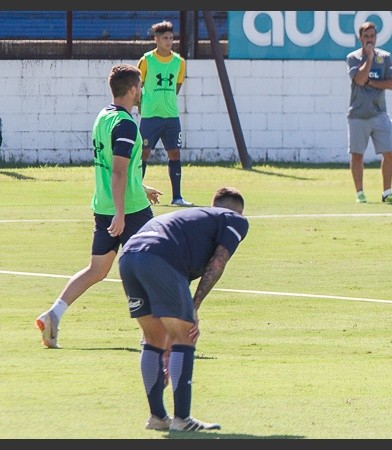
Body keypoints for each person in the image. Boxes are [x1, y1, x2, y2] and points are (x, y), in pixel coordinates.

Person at [36, 64, 163, 349]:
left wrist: (142, 186)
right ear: (132, 90)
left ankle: (53, 314)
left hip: (105, 204)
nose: (141, 91)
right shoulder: (126, 124)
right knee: (152, 265)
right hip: (129, 210)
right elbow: (118, 172)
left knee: (96, 270)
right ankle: (151, 333)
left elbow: (114, 169)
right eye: (140, 87)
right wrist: (121, 212)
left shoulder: (103, 117)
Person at [119, 186, 249, 432]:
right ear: (238, 211)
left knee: (153, 338)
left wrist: (169, 349)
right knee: (185, 336)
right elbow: (218, 262)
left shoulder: (194, 225)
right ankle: (182, 419)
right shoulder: (235, 220)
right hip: (160, 256)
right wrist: (194, 307)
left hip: (129, 256)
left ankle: (157, 417)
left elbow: (171, 305)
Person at [346, 21, 392, 204]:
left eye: (372, 36)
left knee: (389, 152)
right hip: (358, 114)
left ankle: (387, 192)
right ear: (360, 38)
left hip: (379, 113)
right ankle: (360, 194)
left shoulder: (386, 57)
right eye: (366, 37)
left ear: (376, 37)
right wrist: (369, 59)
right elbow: (360, 78)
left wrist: (371, 83)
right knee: (357, 155)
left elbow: (391, 84)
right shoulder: (353, 58)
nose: (369, 40)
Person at [137, 20, 194, 207]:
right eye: (165, 38)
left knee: (175, 153)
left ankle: (177, 197)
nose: (169, 41)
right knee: (143, 153)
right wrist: (141, 105)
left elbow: (176, 87)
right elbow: (138, 87)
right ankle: (136, 193)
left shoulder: (179, 62)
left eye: (171, 38)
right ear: (156, 39)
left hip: (171, 116)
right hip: (150, 116)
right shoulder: (147, 60)